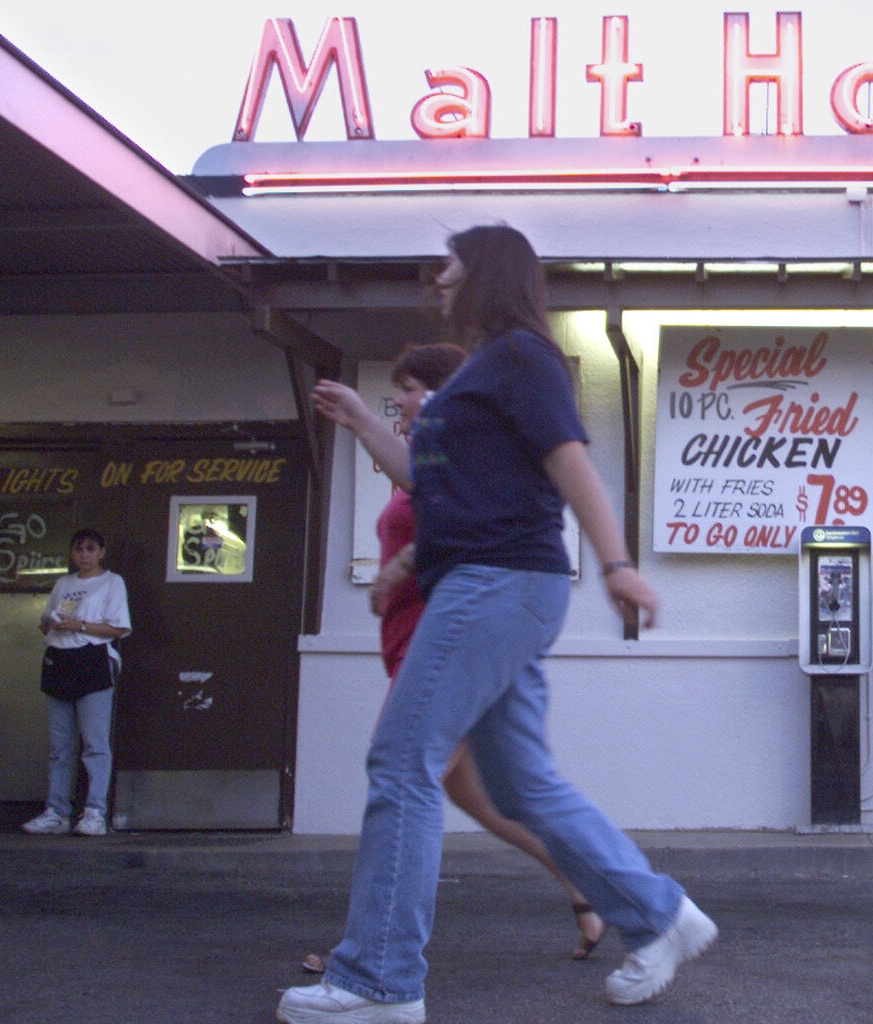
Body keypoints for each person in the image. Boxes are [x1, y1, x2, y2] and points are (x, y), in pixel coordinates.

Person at [279, 226, 714, 1024]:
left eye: (451, 264)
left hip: (498, 584)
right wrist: (362, 425)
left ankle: (379, 981)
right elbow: (434, 485)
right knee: (520, 783)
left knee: (403, 760)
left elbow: (570, 460)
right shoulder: (481, 372)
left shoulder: (522, 356)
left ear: (485, 273)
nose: (438, 278)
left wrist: (618, 565)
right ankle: (660, 915)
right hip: (488, 584)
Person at [308, 342, 605, 966]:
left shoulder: (463, 463)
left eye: (414, 388)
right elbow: (411, 476)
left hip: (442, 643)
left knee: (400, 781)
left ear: (448, 396)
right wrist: (360, 418)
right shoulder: (429, 459)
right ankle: (592, 890)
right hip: (410, 641)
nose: (405, 401)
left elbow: (454, 516)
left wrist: (401, 567)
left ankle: (371, 952)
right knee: (489, 801)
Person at [21, 529, 131, 838]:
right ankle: (57, 810)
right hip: (59, 656)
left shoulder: (112, 582)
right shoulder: (63, 584)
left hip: (92, 658)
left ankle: (95, 810)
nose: (84, 554)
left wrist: (79, 625)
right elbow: (47, 621)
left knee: (95, 743)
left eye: (90, 549)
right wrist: (49, 623)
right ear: (71, 554)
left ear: (101, 552)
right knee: (60, 745)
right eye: (79, 549)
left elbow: (118, 628)